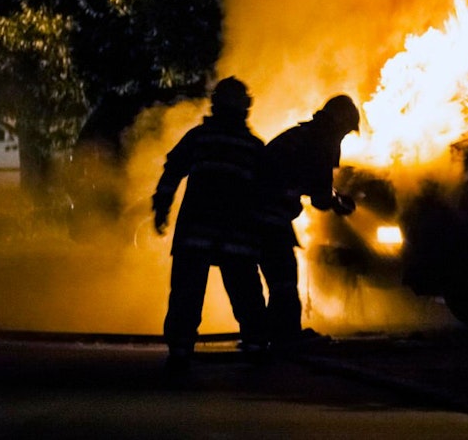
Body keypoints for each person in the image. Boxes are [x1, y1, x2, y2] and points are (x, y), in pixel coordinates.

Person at [152, 76, 268, 372]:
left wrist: (161, 208)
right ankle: (256, 346)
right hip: (237, 236)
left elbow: (172, 171)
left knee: (186, 293)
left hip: (196, 233)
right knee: (246, 292)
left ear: (215, 104)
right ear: (246, 107)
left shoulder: (199, 137)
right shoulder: (254, 146)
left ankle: (180, 349)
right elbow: (266, 193)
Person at [256, 95, 359, 349]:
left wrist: (332, 197)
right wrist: (339, 203)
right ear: (340, 121)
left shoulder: (306, 135)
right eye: (346, 131)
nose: (344, 137)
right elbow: (321, 198)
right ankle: (286, 335)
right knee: (284, 274)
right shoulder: (323, 140)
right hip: (269, 214)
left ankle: (267, 333)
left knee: (277, 275)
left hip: (257, 211)